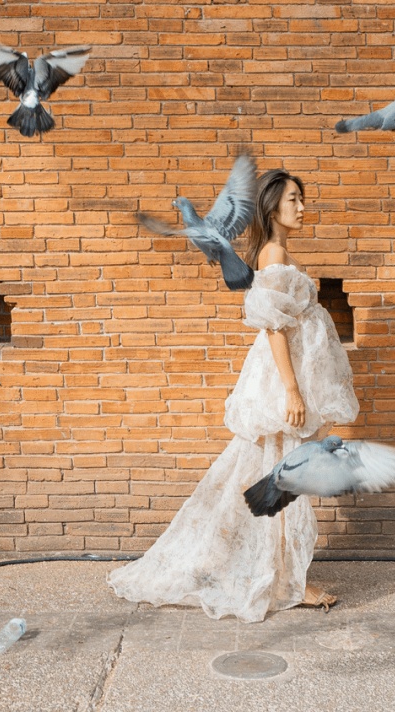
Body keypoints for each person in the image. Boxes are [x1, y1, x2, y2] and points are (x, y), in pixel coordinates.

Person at [108, 168, 358, 621]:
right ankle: (285, 581)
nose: (303, 207)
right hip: (280, 384)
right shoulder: (274, 254)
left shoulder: (279, 252)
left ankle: (277, 573)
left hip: (285, 379)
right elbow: (275, 327)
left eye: (302, 199)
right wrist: (292, 391)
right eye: (294, 199)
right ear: (272, 206)